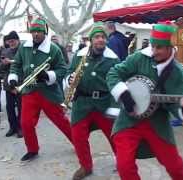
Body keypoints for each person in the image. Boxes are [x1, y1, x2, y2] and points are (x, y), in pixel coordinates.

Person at [106, 21, 183, 180]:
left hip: (157, 124)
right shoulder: (139, 58)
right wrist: (124, 95)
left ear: (170, 48)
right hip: (129, 121)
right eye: (153, 46)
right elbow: (113, 73)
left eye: (159, 48)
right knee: (124, 166)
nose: (154, 51)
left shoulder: (177, 72)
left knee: (175, 167)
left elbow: (175, 104)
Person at [8, 17, 73, 161]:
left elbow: (62, 69)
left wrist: (49, 75)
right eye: (33, 31)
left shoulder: (54, 49)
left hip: (48, 92)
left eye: (39, 31)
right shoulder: (24, 47)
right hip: (29, 91)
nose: (35, 34)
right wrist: (13, 78)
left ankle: (78, 142)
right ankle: (32, 149)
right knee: (25, 123)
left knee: (61, 121)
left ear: (45, 32)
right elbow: (17, 64)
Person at [66, 22, 119, 180]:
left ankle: (122, 161)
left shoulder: (113, 59)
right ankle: (85, 166)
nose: (100, 40)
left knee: (115, 135)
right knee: (78, 136)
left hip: (104, 102)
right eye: (97, 37)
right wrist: (70, 79)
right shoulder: (79, 55)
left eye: (103, 37)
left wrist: (115, 106)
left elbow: (118, 82)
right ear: (91, 39)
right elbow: (69, 71)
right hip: (82, 102)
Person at [1, 31, 23, 138]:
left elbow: (24, 64)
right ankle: (12, 127)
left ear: (18, 40)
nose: (11, 43)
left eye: (13, 41)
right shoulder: (5, 51)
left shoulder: (23, 50)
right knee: (9, 108)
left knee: (21, 107)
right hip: (8, 84)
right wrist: (4, 63)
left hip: (20, 82)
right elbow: (2, 68)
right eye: (9, 42)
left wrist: (11, 62)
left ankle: (20, 128)